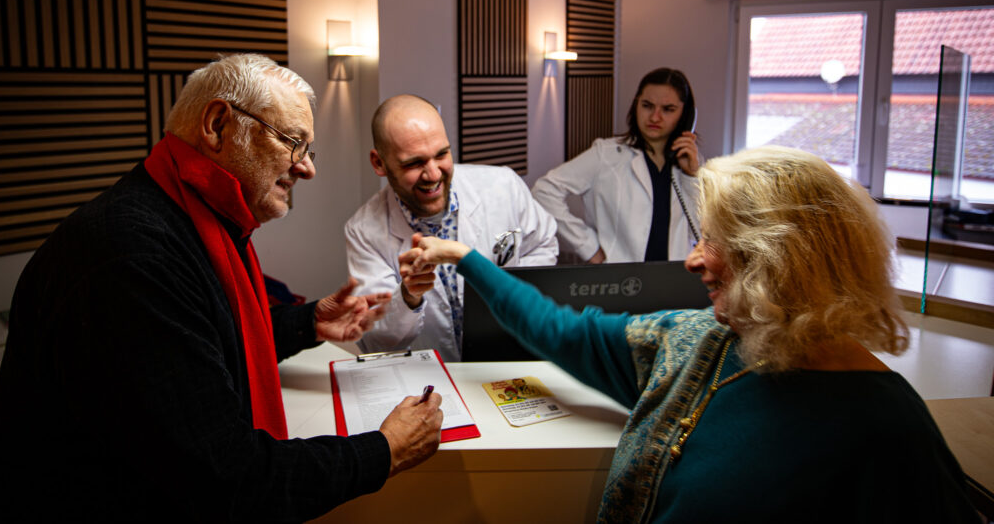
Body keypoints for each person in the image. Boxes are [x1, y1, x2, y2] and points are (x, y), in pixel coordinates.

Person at [401, 146, 980, 522]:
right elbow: (557, 330)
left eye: (712, 240)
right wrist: (467, 258)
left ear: (776, 260)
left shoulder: (888, 423)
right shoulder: (690, 339)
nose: (692, 260)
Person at [0, 54, 443, 523]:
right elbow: (228, 478)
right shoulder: (132, 256)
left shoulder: (180, 217)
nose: (307, 169)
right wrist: (385, 449)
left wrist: (307, 322)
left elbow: (202, 339)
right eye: (293, 143)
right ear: (218, 124)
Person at [344, 94, 558, 361]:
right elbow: (376, 340)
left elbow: (543, 244)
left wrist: (505, 291)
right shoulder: (363, 231)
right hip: (432, 376)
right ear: (379, 163)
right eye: (414, 163)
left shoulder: (504, 186)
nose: (433, 174)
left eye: (442, 154)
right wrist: (408, 297)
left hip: (509, 359)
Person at [532, 67, 701, 263]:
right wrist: (588, 247)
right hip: (620, 275)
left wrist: (691, 176)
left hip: (674, 275)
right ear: (636, 105)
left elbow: (701, 233)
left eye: (668, 109)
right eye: (647, 106)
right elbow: (544, 191)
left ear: (686, 115)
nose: (655, 117)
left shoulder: (690, 162)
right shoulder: (606, 154)